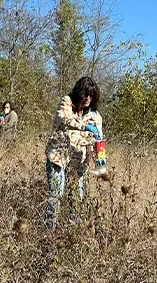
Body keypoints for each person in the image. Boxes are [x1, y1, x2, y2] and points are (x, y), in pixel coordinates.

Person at [44, 76, 103, 230]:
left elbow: (98, 140)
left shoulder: (95, 117)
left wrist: (100, 159)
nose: (88, 98)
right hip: (58, 157)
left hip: (79, 164)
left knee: (77, 199)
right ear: (79, 93)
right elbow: (62, 119)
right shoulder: (67, 102)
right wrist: (84, 126)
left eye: (91, 95)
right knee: (56, 195)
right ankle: (49, 231)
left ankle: (73, 234)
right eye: (85, 94)